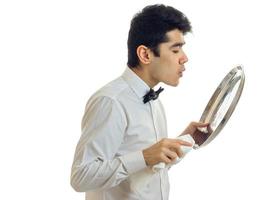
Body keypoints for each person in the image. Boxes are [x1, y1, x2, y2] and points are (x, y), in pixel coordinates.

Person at [70, 4, 208, 200]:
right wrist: (144, 157)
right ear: (145, 54)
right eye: (176, 50)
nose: (184, 58)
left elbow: (149, 170)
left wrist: (185, 140)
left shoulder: (155, 103)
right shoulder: (110, 101)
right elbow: (81, 176)